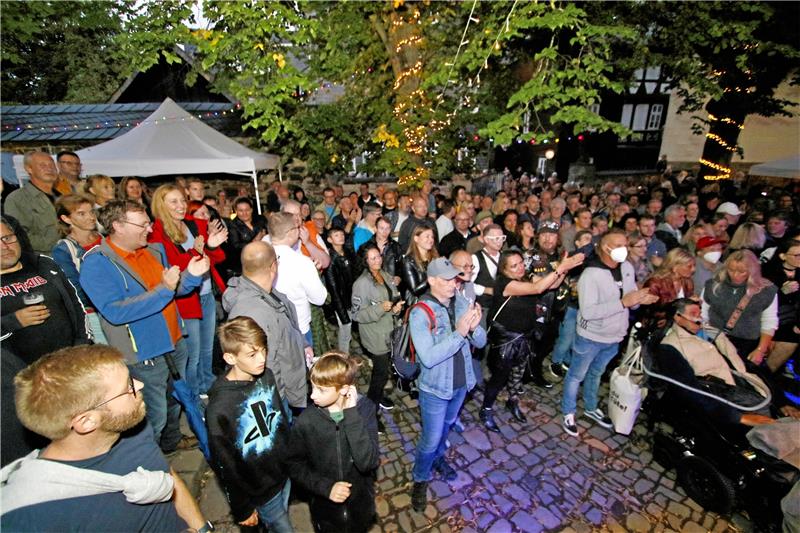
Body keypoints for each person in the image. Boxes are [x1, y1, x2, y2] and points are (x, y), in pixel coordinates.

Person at [1, 345, 207, 532]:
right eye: (128, 387)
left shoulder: (130, 427)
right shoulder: (31, 516)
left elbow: (165, 474)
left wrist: (202, 529)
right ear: (87, 421)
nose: (140, 385)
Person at [80, 200, 210, 451]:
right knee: (154, 415)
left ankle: (172, 444)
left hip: (174, 341)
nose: (149, 229)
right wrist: (164, 290)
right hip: (143, 354)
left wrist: (192, 276)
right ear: (118, 226)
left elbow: (174, 289)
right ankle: (151, 463)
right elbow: (115, 312)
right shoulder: (96, 264)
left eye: (148, 223)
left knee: (175, 402)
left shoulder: (153, 251)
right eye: (142, 224)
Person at [561, 229, 659, 437]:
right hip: (591, 336)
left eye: (626, 244)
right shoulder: (591, 274)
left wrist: (640, 299)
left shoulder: (627, 268)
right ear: (605, 248)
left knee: (596, 373)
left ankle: (590, 406)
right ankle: (568, 412)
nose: (624, 249)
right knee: (576, 375)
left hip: (615, 336)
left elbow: (630, 300)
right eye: (619, 245)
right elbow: (588, 312)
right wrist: (624, 302)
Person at [409, 258, 486, 512]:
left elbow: (482, 342)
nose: (453, 284)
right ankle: (420, 478)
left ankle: (439, 459)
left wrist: (475, 328)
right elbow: (429, 358)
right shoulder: (420, 312)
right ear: (431, 280)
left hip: (461, 383)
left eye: (454, 278)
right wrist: (460, 333)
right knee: (430, 439)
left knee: (446, 427)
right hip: (435, 388)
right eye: (446, 279)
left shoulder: (462, 301)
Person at [480, 250, 583, 433]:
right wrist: (561, 268)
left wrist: (563, 269)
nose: (520, 267)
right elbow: (538, 289)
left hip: (524, 338)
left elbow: (553, 284)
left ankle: (512, 402)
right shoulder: (505, 284)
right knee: (498, 378)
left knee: (517, 376)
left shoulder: (526, 277)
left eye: (521, 263)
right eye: (514, 266)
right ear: (504, 269)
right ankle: (486, 409)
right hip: (506, 341)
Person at [206, 317, 293, 532]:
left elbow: (281, 420)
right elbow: (225, 463)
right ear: (230, 357)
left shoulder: (267, 376)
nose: (262, 358)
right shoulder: (220, 408)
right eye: (252, 355)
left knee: (281, 514)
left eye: (263, 350)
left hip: (285, 471)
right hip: (260, 486)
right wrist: (242, 508)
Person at [657, 299, 791, 427]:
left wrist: (781, 402)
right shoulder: (670, 347)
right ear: (677, 317)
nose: (698, 318)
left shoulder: (713, 333)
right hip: (721, 403)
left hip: (750, 390)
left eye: (699, 313)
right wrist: (739, 418)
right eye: (693, 314)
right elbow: (688, 390)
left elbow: (749, 367)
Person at [287, 352, 380, 533]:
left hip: (359, 507)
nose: (313, 395)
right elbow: (294, 464)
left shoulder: (365, 410)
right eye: (312, 387)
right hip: (326, 512)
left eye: (321, 390)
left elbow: (368, 462)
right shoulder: (307, 420)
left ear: (344, 389)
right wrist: (326, 488)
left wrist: (351, 415)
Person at [149, 184, 227, 397]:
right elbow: (172, 267)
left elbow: (217, 259)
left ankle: (207, 387)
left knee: (207, 350)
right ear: (160, 205)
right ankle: (193, 397)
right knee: (192, 355)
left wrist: (211, 246)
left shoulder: (194, 225)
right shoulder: (156, 234)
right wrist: (197, 250)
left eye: (183, 200)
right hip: (184, 301)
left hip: (206, 295)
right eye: (174, 201)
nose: (181, 206)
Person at [222, 241, 311, 413]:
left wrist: (302, 344)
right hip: (278, 399)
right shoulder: (254, 312)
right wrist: (279, 403)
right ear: (273, 267)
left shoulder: (264, 292)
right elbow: (265, 365)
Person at [1, 217, 90, 364]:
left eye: (7, 238)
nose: (4, 246)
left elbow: (76, 305)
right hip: (22, 378)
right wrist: (14, 321)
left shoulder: (43, 264)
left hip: (72, 363)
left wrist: (82, 345)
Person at [351, 244, 404, 425]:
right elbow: (357, 314)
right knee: (380, 375)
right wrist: (379, 309)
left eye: (378, 256)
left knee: (384, 370)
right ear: (365, 261)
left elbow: (392, 298)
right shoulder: (361, 284)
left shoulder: (385, 275)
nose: (377, 260)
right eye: (372, 258)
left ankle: (379, 397)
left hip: (388, 331)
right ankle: (370, 411)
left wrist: (396, 309)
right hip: (375, 337)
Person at [701, 250, 778, 364]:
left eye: (741, 271)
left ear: (752, 270)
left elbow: (769, 322)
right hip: (714, 339)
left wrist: (760, 350)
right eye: (731, 270)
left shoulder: (766, 290)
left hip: (746, 344)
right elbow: (703, 313)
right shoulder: (713, 285)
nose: (735, 275)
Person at [51, 194, 107, 344]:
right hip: (94, 312)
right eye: (81, 214)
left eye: (91, 212)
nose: (90, 217)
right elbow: (75, 288)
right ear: (66, 218)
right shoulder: (63, 250)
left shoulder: (104, 238)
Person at [268, 212, 328, 346]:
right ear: (290, 233)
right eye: (297, 227)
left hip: (270, 326)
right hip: (298, 328)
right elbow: (319, 298)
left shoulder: (260, 256)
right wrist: (315, 273)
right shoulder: (302, 263)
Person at [4, 151, 60, 255]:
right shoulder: (17, 199)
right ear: (29, 169)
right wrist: (60, 243)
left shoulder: (62, 196)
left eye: (52, 164)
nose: (49, 168)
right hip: (44, 261)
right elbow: (19, 236)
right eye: (42, 165)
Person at [762, 240, 800, 373]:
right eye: (797, 255)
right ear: (783, 256)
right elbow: (761, 298)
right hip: (770, 314)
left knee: (794, 334)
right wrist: (781, 293)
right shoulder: (768, 271)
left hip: (792, 318)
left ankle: (770, 373)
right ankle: (765, 373)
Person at [324, 227, 356, 353]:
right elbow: (334, 289)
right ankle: (343, 357)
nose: (341, 237)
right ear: (329, 239)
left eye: (342, 234)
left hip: (352, 297)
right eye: (336, 235)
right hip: (342, 301)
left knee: (349, 329)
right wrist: (342, 312)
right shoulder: (330, 260)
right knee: (345, 330)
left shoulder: (348, 252)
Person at [225, 196, 268, 277]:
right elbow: (236, 246)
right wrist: (254, 241)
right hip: (244, 263)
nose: (244, 213)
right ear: (236, 211)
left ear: (251, 210)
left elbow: (270, 234)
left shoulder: (260, 219)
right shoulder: (233, 224)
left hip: (264, 257)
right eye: (241, 211)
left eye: (247, 210)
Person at [471, 224, 505, 311]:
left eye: (502, 238)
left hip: (502, 306)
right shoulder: (476, 258)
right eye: (496, 238)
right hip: (483, 307)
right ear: (486, 239)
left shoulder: (505, 257)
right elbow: (467, 285)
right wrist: (486, 290)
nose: (500, 241)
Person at [400, 225, 438, 303]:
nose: (431, 240)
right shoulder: (408, 261)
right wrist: (431, 279)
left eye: (432, 237)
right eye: (427, 236)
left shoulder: (435, 256)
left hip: (435, 298)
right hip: (418, 302)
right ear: (416, 239)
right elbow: (415, 290)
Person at [367, 216, 402, 285]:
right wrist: (379, 252)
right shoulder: (366, 247)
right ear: (375, 229)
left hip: (392, 285)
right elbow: (361, 268)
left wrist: (399, 277)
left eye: (387, 228)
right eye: (381, 228)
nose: (384, 232)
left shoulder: (395, 246)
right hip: (374, 285)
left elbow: (401, 267)